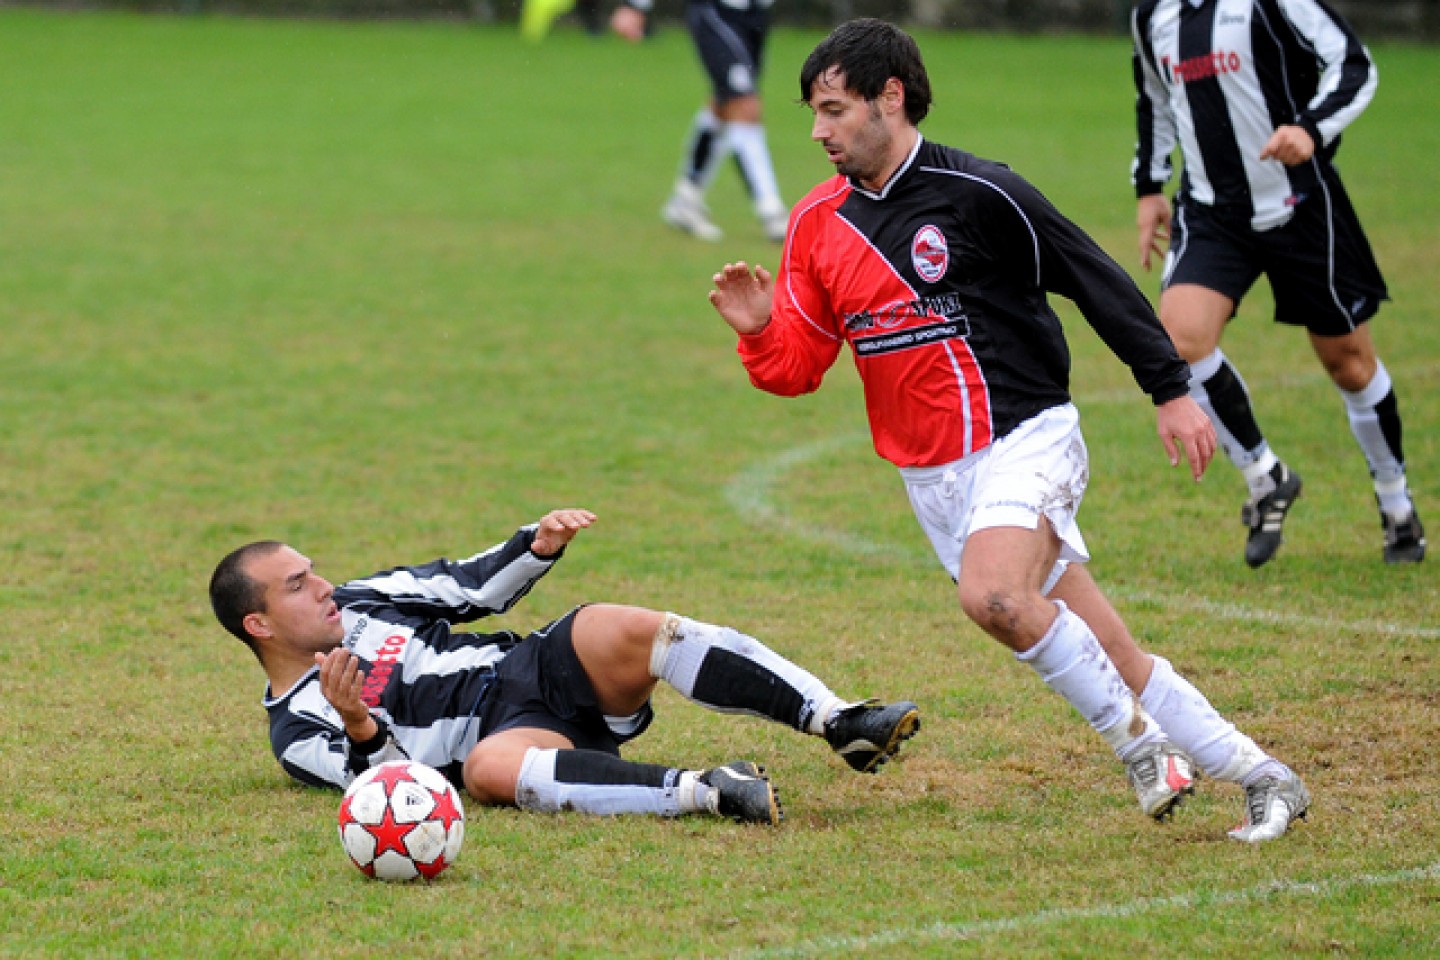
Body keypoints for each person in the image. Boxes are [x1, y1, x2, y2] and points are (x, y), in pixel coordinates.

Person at [707, 18, 1309, 841]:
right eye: (813, 112)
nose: (818, 131)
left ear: (892, 97)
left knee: (992, 595)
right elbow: (797, 369)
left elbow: (1094, 279)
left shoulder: (982, 193)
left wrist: (1170, 387)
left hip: (1026, 436)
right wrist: (754, 330)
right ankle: (1266, 777)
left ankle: (1141, 747)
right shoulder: (816, 224)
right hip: (934, 477)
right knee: (1111, 652)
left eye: (834, 109)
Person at [209, 508, 920, 825]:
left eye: (313, 570)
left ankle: (837, 719)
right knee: (488, 771)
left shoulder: (365, 600)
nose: (324, 585)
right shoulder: (297, 727)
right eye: (298, 584)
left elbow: (468, 586)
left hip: (534, 669)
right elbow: (392, 794)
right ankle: (708, 792)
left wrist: (538, 543)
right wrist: (361, 725)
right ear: (259, 624)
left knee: (622, 624)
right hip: (504, 743)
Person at [1131, 0, 1424, 567]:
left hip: (1303, 205)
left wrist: (1310, 129)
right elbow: (1155, 98)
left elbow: (1354, 65)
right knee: (1177, 343)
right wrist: (1149, 186)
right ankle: (1266, 477)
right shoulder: (1152, 16)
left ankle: (1396, 504)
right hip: (1213, 214)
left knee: (1350, 364)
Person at [611, 0, 787, 243]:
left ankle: (686, 200)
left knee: (724, 107)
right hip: (715, 11)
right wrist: (634, 6)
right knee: (745, 105)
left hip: (755, 15)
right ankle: (772, 211)